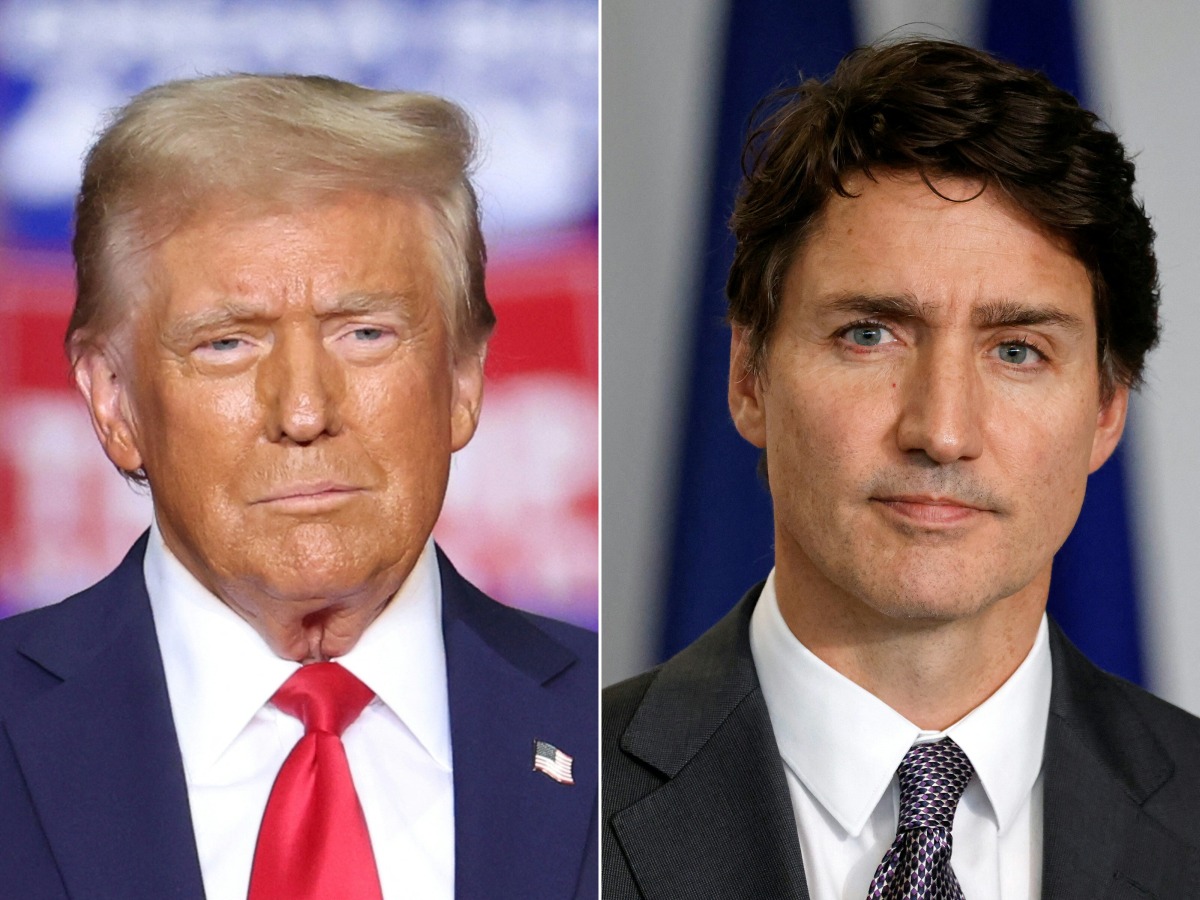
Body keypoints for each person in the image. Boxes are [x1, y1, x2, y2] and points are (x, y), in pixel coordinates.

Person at [603, 38, 1200, 899]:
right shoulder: (567, 802)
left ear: (1108, 408)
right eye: (869, 334)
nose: (942, 432)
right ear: (748, 379)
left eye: (1019, 350)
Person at [0, 74, 596, 900]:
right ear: (114, 400)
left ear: (463, 378)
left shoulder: (607, 726)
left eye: (365, 332)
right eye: (227, 344)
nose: (305, 412)